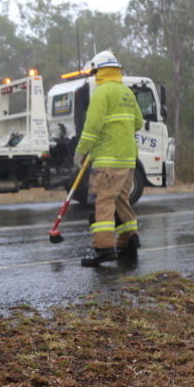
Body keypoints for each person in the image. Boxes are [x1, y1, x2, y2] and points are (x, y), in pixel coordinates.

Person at [74, 50, 143, 267]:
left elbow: (92, 126)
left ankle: (103, 248)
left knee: (102, 201)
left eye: (95, 72)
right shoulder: (127, 93)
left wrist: (81, 151)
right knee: (121, 200)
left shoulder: (102, 92)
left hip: (107, 160)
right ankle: (129, 241)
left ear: (100, 71)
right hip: (128, 160)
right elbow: (138, 123)